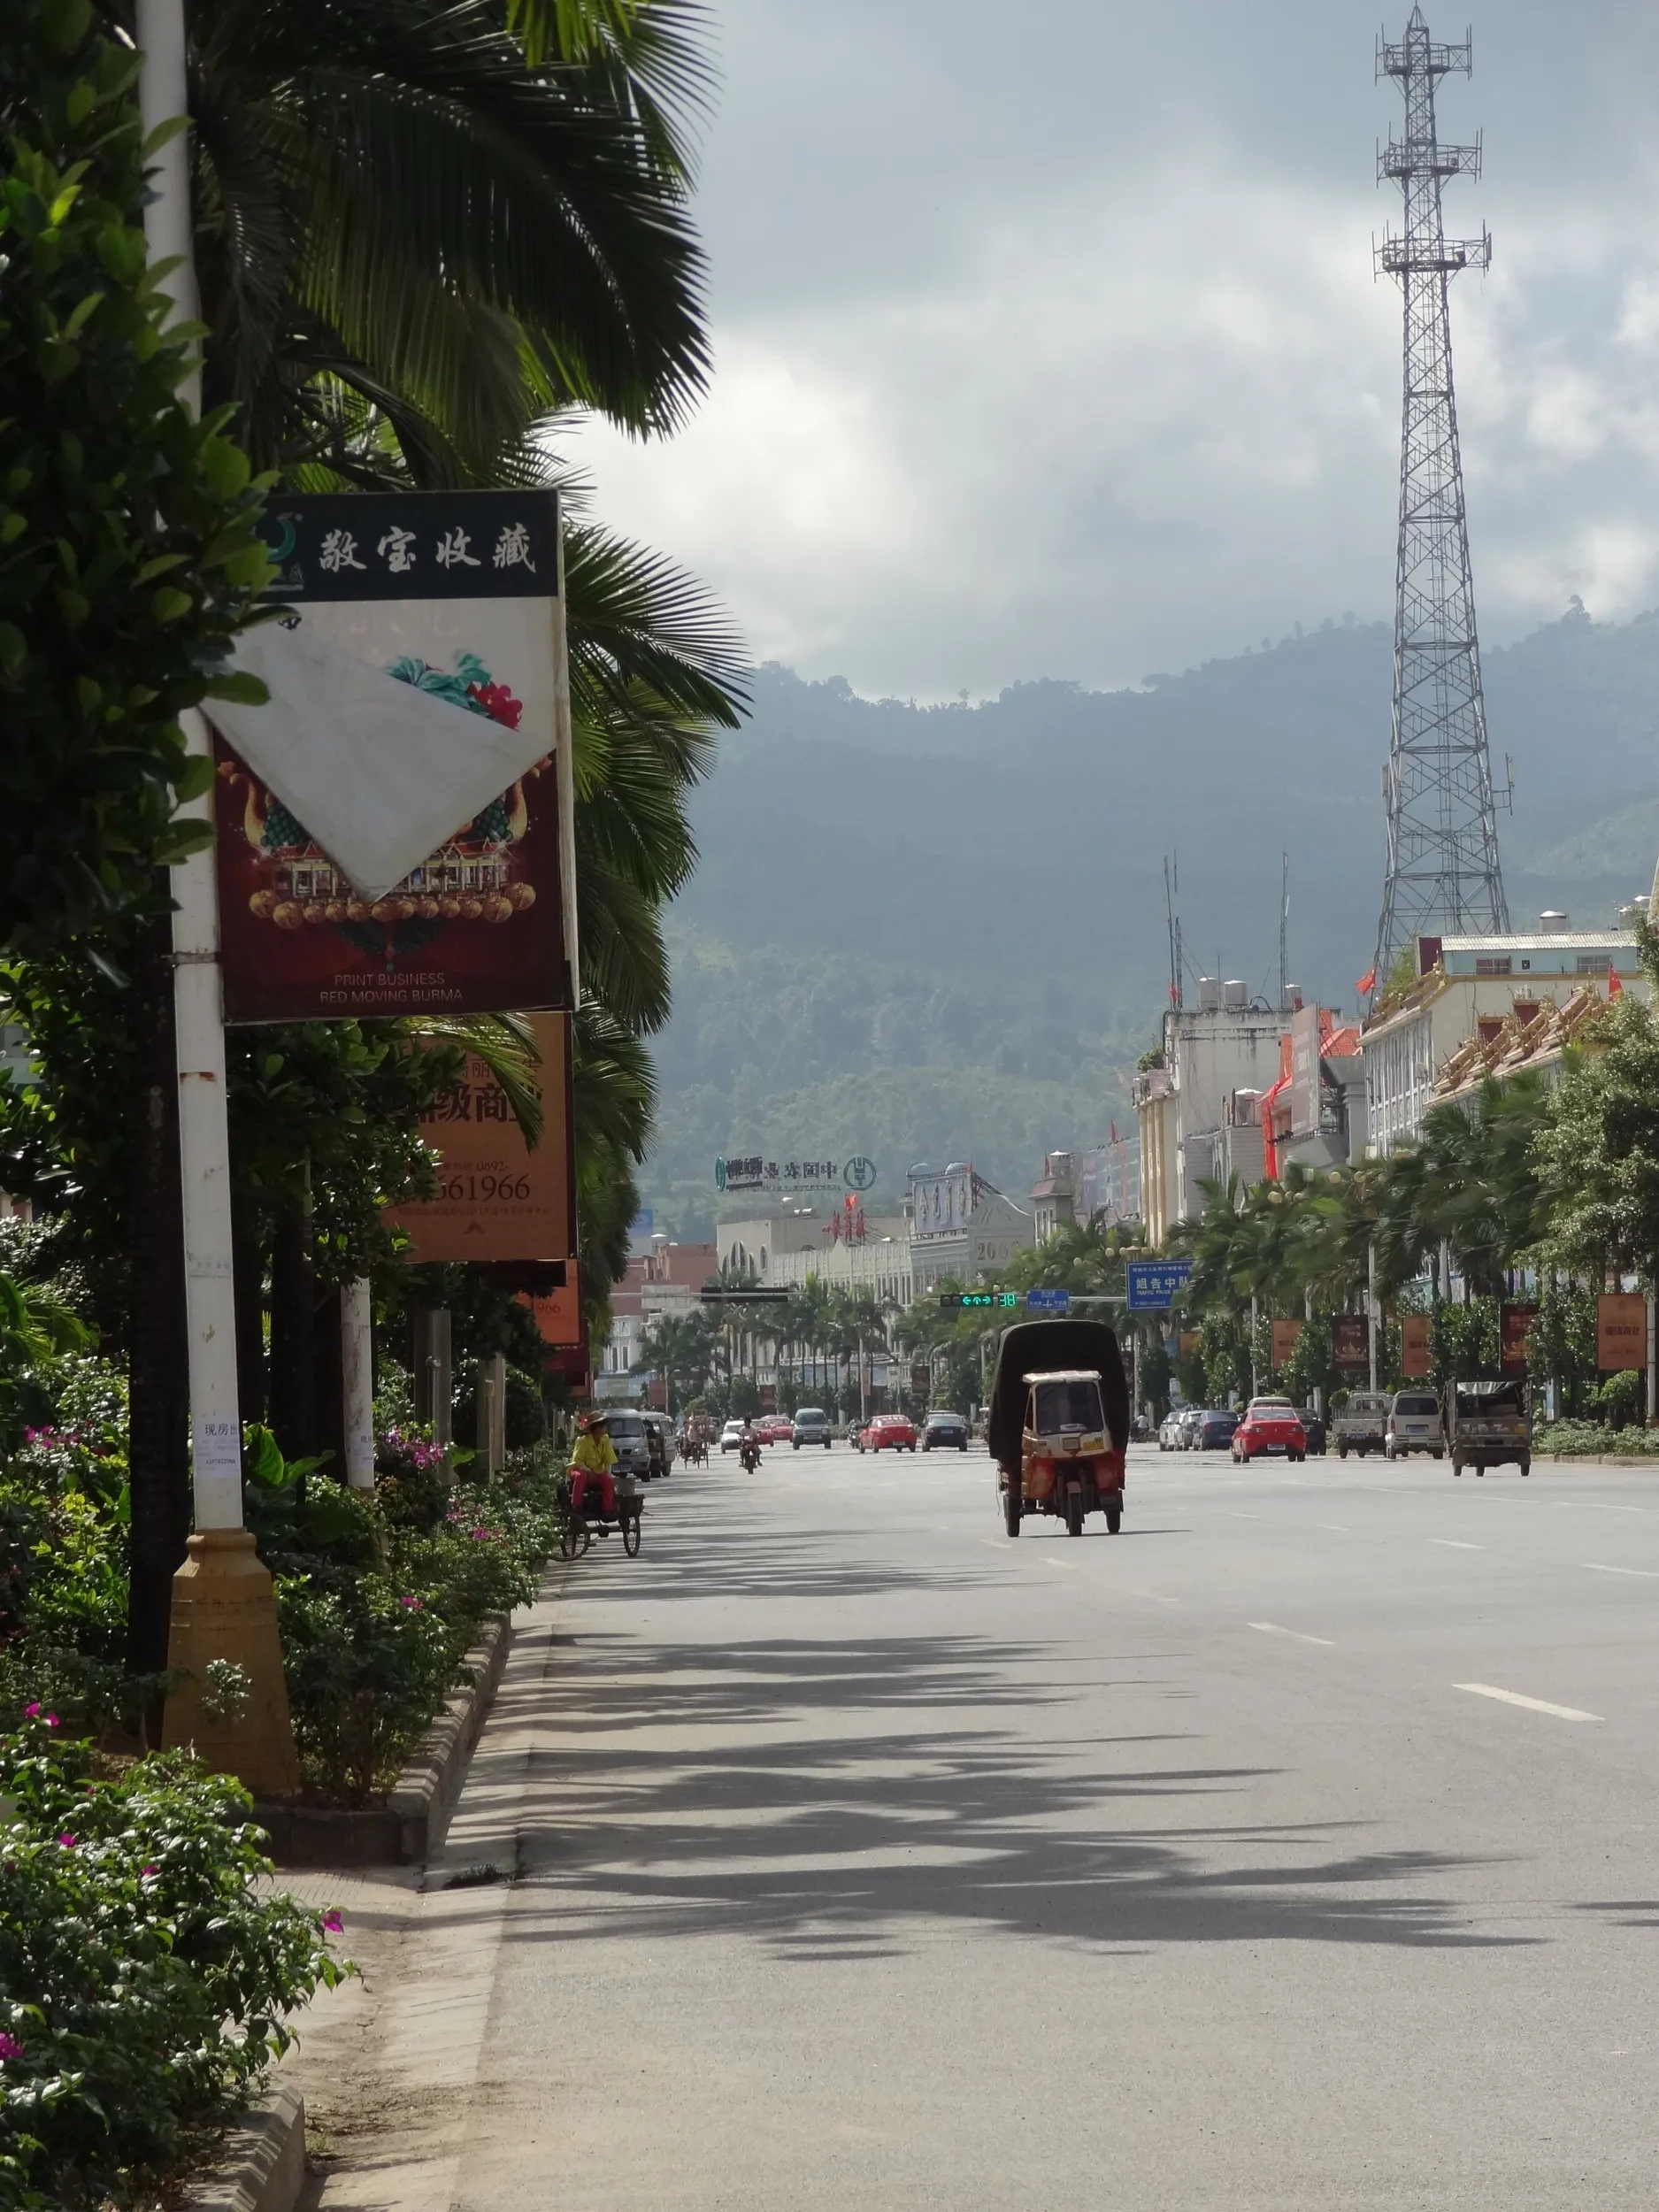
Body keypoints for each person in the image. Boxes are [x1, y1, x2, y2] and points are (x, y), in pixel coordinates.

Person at [568, 1410, 617, 1520]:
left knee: (608, 1480)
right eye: (602, 1426)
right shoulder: (583, 1441)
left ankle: (607, 1510)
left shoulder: (605, 1440)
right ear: (596, 1428)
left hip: (597, 1473)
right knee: (581, 1476)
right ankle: (577, 1505)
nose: (604, 1428)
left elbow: (608, 1460)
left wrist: (607, 1474)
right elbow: (577, 1461)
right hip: (581, 1471)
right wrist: (588, 1472)